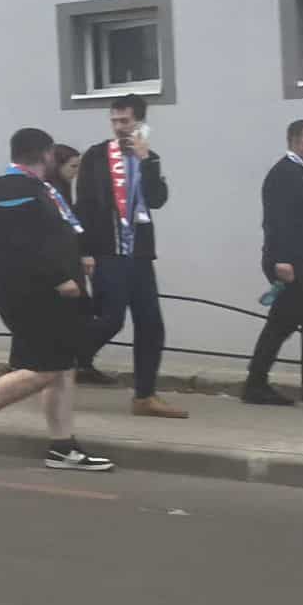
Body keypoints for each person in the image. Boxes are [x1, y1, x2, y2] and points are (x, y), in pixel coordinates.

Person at [0, 128, 115, 471]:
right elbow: (26, 241)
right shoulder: (13, 188)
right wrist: (60, 278)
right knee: (44, 370)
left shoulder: (39, 189)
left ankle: (62, 447)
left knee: (63, 370)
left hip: (50, 293)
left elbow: (53, 234)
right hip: (32, 294)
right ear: (47, 153)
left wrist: (80, 257)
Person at [74, 94, 183, 418]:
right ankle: (55, 361)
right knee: (110, 319)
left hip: (139, 254)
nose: (120, 126)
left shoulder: (149, 157)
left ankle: (144, 396)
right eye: (115, 120)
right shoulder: (96, 155)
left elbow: (158, 199)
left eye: (125, 121)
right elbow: (85, 205)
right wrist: (85, 252)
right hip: (108, 252)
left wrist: (147, 161)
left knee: (151, 324)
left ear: (140, 122)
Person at [245, 120, 303, 405]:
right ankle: (255, 384)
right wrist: (281, 261)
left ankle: (255, 384)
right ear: (296, 141)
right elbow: (277, 220)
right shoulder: (284, 173)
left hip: (298, 260)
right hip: (289, 263)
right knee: (281, 323)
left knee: (281, 323)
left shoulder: (300, 172)